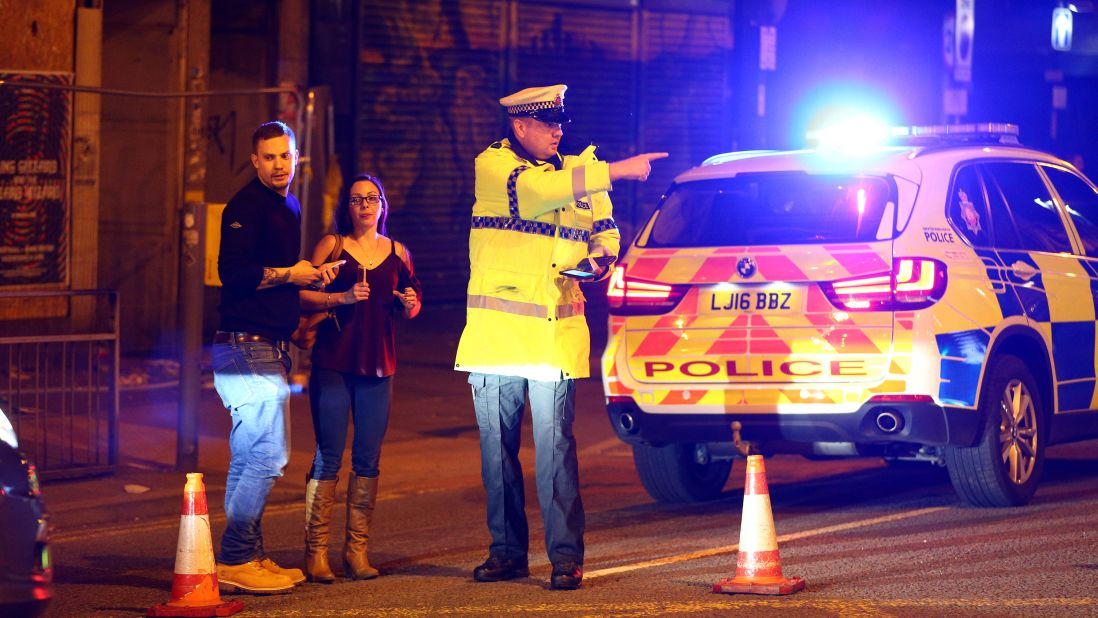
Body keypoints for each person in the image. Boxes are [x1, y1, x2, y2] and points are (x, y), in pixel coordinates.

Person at [454, 84, 667, 590]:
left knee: (555, 454)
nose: (558, 131)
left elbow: (608, 231)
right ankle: (506, 553)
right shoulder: (495, 166)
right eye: (547, 124)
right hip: (495, 337)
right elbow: (535, 195)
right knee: (497, 454)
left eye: (560, 124)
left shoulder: (578, 175)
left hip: (554, 337)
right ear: (519, 127)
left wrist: (600, 259)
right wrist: (617, 169)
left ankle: (565, 558)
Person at [213, 120, 340, 594]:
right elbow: (234, 275)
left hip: (267, 345)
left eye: (285, 156)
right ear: (255, 161)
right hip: (245, 346)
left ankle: (245, 555)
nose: (279, 165)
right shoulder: (243, 207)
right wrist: (291, 274)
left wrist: (309, 280)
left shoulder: (288, 204)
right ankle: (236, 557)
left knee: (249, 456)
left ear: (296, 156)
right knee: (269, 456)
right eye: (269, 157)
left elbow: (288, 277)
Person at [299, 174, 422, 583]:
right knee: (328, 456)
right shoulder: (331, 246)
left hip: (379, 367)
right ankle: (316, 554)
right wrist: (343, 297)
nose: (365, 205)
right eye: (356, 200)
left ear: (383, 205)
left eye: (372, 198)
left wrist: (409, 303)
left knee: (368, 460)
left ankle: (356, 552)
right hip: (333, 364)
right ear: (346, 207)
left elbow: (413, 302)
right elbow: (303, 294)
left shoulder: (399, 252)